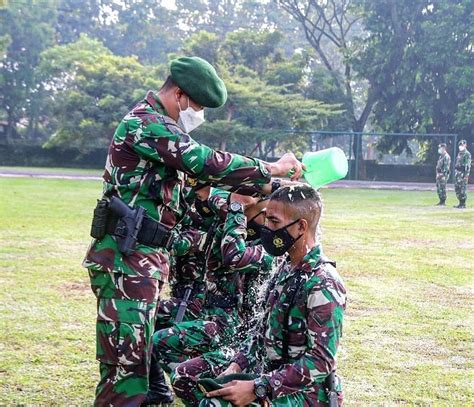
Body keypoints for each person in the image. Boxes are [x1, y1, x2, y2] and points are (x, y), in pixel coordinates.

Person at [82, 55, 303, 406]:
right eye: (197, 106)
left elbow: (193, 190)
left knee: (137, 361)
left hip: (142, 260)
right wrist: (270, 167)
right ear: (180, 94)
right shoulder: (146, 124)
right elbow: (203, 160)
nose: (196, 115)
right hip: (125, 260)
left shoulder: (162, 132)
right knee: (125, 369)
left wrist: (251, 195)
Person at [187, 184, 346, 407]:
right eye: (267, 219)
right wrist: (236, 366)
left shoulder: (323, 282)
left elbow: (321, 361)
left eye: (274, 222)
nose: (267, 228)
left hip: (309, 394)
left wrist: (259, 388)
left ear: (301, 226)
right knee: (205, 388)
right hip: (273, 377)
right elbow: (261, 331)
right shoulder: (284, 267)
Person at [151, 189, 274, 378]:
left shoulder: (270, 250)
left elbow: (235, 256)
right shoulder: (236, 233)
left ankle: (207, 386)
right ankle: (199, 382)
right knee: (155, 325)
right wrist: (227, 201)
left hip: (239, 335)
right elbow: (212, 204)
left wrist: (236, 207)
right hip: (216, 317)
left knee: (166, 346)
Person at [453, 139, 471, 208]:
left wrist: (466, 176)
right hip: (458, 173)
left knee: (462, 188)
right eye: (460, 145)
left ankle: (463, 203)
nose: (461, 146)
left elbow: (467, 166)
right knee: (457, 188)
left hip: (463, 173)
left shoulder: (467, 154)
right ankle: (460, 202)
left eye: (462, 145)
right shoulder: (459, 153)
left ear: (465, 145)